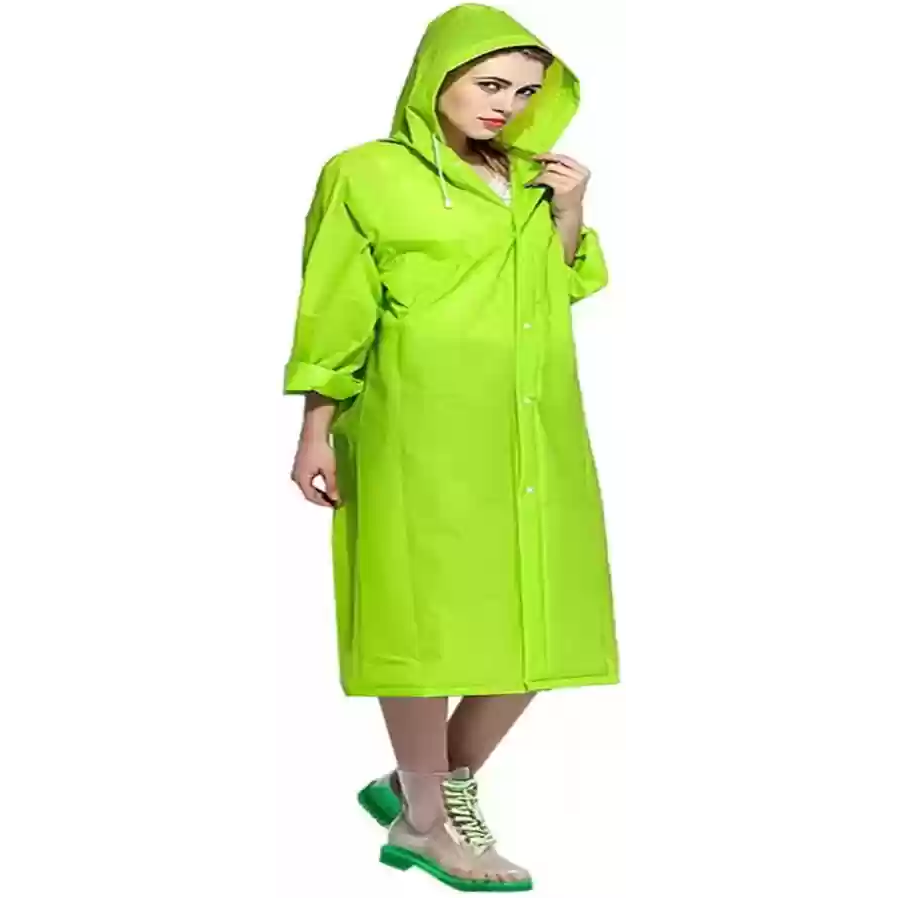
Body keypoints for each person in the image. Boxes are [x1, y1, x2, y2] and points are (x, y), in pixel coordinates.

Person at [283, 2, 620, 891]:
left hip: (535, 425)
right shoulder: (365, 174)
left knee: (545, 615)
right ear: (439, 76)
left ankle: (421, 783)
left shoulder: (534, 177)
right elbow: (335, 303)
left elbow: (559, 286)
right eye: (490, 83)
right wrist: (316, 426)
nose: (507, 104)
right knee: (423, 620)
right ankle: (428, 823)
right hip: (415, 426)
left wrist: (570, 209)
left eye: (527, 91)